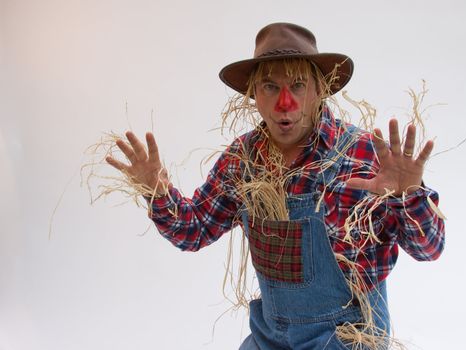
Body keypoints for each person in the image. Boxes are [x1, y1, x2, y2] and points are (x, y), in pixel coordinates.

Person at [106, 22, 445, 350]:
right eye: (270, 86)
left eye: (298, 85)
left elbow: (429, 248)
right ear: (252, 94)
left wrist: (407, 197)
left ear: (320, 89)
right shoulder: (243, 160)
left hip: (347, 338)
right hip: (271, 336)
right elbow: (192, 230)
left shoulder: (363, 155)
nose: (285, 103)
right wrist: (156, 191)